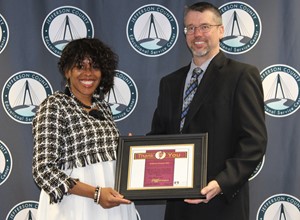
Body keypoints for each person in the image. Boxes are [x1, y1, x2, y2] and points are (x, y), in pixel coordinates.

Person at [148, 2, 267, 220]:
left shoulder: (241, 76)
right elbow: (159, 136)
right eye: (190, 28)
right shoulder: (170, 83)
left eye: (204, 26)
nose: (197, 34)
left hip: (221, 205)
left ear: (220, 31)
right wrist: (137, 155)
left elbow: (253, 142)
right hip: (178, 207)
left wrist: (222, 183)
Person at [32, 38, 137, 220]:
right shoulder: (54, 105)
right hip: (75, 207)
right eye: (80, 66)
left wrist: (128, 153)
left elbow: (105, 161)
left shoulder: (103, 107)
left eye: (94, 66)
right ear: (67, 71)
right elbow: (43, 169)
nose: (88, 73)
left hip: (112, 202)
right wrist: (96, 194)